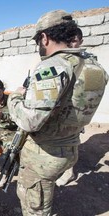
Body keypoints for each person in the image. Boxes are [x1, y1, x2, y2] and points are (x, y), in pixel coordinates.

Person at [7, 10, 108, 215]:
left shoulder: (52, 67)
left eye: (38, 41)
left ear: (44, 37)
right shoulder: (93, 65)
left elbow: (30, 121)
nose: (39, 47)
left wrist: (15, 98)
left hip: (44, 155)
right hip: (69, 147)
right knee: (44, 192)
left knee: (35, 206)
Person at [56, 27, 84, 187]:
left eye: (74, 41)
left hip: (75, 108)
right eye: (68, 41)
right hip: (63, 108)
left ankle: (69, 172)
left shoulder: (83, 61)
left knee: (72, 140)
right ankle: (64, 167)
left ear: (81, 41)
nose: (71, 44)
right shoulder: (65, 60)